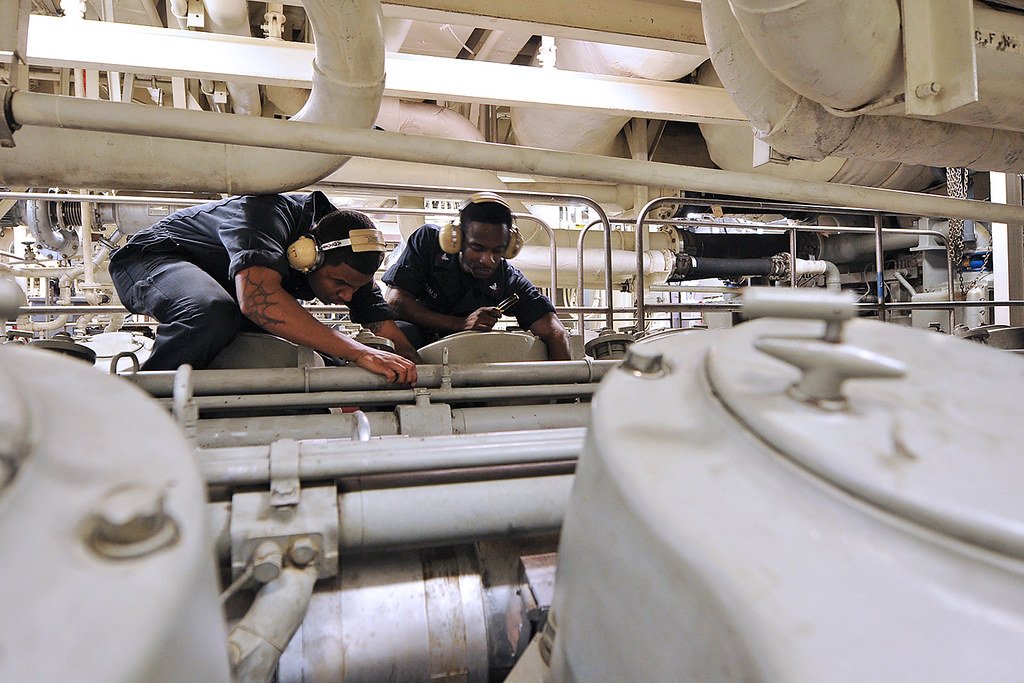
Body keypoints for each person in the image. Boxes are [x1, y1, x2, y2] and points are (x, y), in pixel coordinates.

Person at [108, 191, 418, 383]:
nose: (346, 295)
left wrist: (413, 368)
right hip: (157, 257)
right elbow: (257, 301)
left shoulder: (348, 262)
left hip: (227, 289)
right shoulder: (266, 214)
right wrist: (359, 352)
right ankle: (142, 404)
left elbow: (386, 329)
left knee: (325, 360)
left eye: (354, 288)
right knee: (209, 312)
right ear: (306, 255)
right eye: (339, 284)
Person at [382, 192, 571, 360]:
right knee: (396, 336)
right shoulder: (429, 243)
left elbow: (556, 333)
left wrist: (565, 386)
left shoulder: (507, 279)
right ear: (457, 239)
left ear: (509, 248)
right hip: (417, 345)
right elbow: (394, 301)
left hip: (466, 357)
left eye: (498, 250)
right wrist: (461, 324)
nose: (488, 260)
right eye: (477, 248)